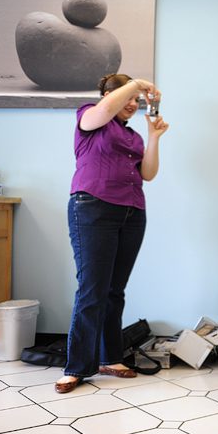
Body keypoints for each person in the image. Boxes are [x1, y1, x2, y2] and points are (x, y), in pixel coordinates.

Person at [55, 74, 169, 394]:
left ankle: (111, 358)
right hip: (93, 208)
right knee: (92, 289)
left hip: (132, 212)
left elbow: (148, 174)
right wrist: (138, 84)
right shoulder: (90, 117)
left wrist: (154, 137)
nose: (133, 104)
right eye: (127, 97)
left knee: (114, 290)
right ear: (108, 95)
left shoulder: (133, 137)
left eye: (136, 100)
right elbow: (104, 110)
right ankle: (77, 367)